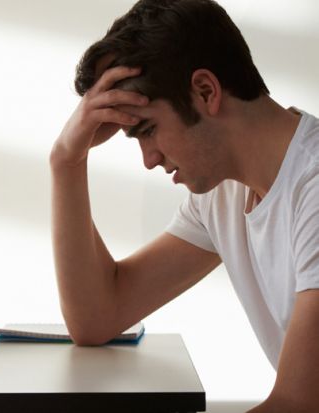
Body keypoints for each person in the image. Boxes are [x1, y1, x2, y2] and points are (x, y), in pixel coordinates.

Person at [49, 0, 319, 412]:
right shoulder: (223, 194)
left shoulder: (313, 188)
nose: (149, 159)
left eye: (149, 130)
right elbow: (97, 316)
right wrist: (66, 162)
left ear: (206, 91)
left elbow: (298, 405)